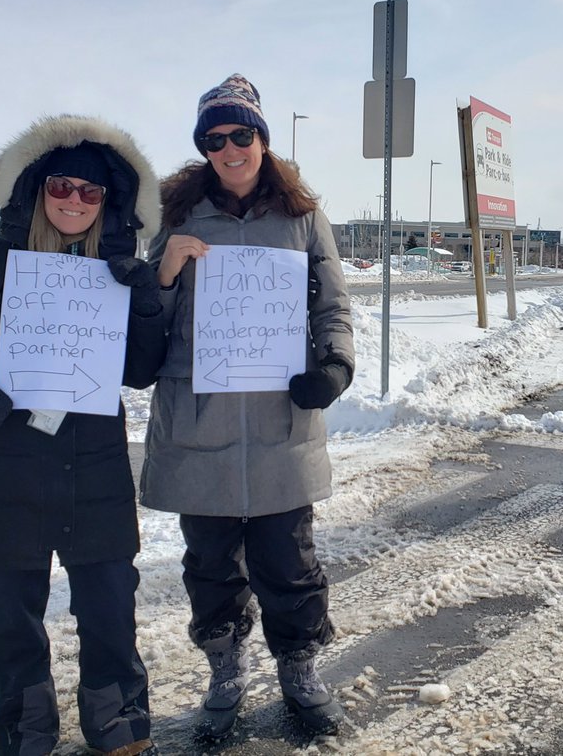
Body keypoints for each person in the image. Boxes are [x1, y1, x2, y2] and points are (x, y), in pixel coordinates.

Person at [0, 116, 165, 756]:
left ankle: (119, 725)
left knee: (110, 608)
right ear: (38, 187)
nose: (74, 200)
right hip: (10, 463)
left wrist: (141, 301)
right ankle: (25, 732)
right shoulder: (0, 260)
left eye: (91, 192)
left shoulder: (119, 271)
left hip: (95, 469)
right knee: (12, 618)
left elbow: (140, 372)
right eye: (63, 185)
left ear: (107, 202)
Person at [141, 74, 355, 738]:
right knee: (209, 566)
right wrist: (167, 271)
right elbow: (146, 322)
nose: (229, 148)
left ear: (262, 138)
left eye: (241, 134)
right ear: (203, 148)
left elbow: (332, 307)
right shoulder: (175, 217)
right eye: (215, 138)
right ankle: (224, 669)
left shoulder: (302, 217)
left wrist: (334, 365)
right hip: (197, 424)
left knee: (288, 562)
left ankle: (299, 671)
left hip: (277, 425)